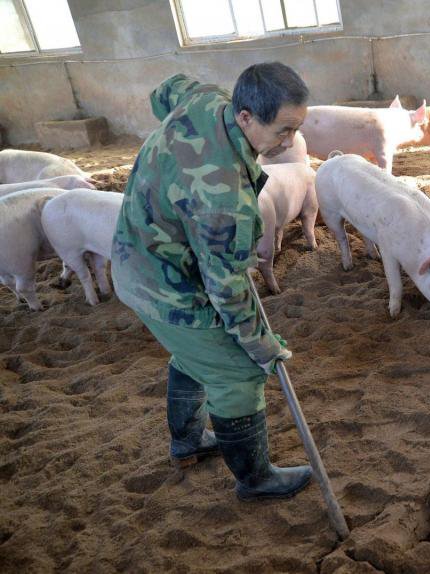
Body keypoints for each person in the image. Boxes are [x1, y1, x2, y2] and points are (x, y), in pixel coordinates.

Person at [111, 62, 311, 501]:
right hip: (165, 285)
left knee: (198, 354)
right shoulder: (225, 199)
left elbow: (164, 89)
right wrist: (264, 349)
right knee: (236, 372)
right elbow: (228, 291)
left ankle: (188, 442)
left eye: (297, 128)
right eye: (282, 130)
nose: (290, 142)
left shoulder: (204, 97)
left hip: (137, 256)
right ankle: (255, 480)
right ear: (245, 116)